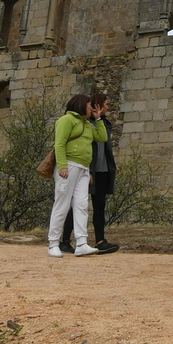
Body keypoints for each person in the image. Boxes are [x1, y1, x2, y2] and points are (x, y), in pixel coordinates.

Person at [61, 91, 119, 254]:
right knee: (77, 205)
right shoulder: (84, 123)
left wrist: (111, 164)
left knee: (100, 206)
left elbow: (104, 144)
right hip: (86, 170)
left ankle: (100, 240)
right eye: (105, 104)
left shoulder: (104, 123)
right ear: (98, 105)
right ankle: (64, 241)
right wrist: (88, 171)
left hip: (103, 171)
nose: (107, 107)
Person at [49, 94, 106, 258]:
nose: (92, 108)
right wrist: (62, 166)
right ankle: (53, 243)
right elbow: (59, 143)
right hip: (69, 165)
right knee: (62, 204)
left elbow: (101, 137)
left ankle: (81, 243)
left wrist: (98, 119)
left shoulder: (87, 124)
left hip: (83, 168)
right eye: (90, 106)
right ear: (81, 105)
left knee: (81, 205)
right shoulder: (66, 120)